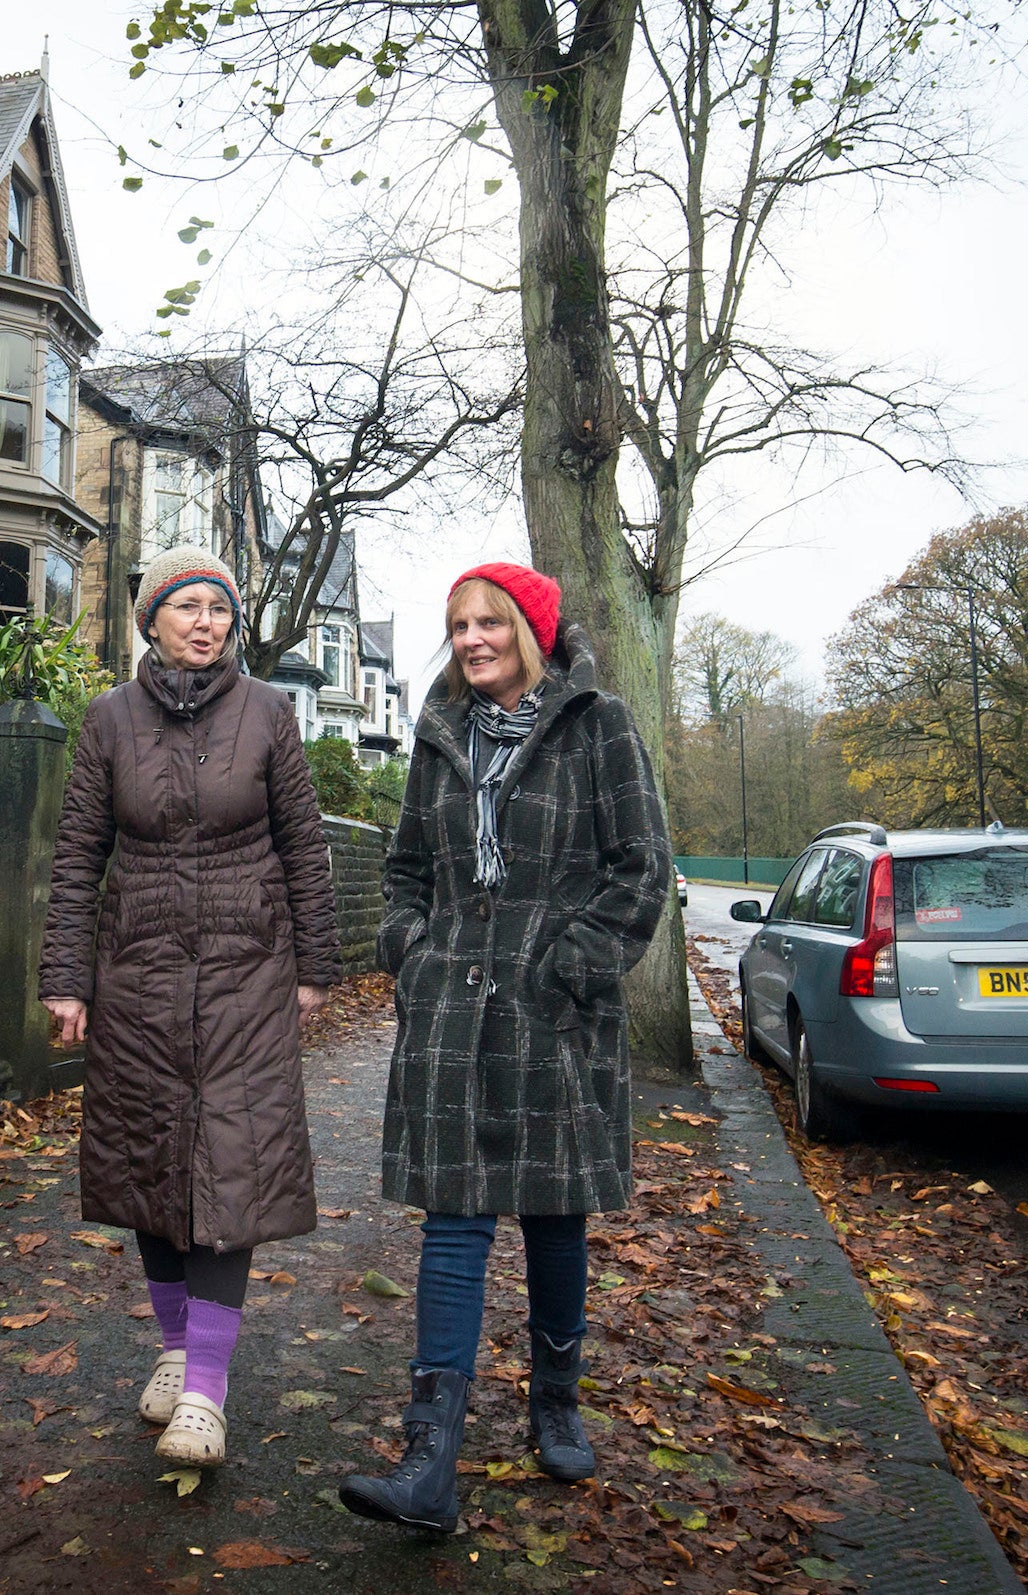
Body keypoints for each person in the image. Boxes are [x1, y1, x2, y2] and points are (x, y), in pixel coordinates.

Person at [340, 562, 672, 1533]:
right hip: (450, 1013)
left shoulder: (597, 723)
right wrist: (412, 953)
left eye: (490, 620)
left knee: (555, 1214)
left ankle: (556, 1395)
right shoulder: (438, 735)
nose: (472, 637)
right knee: (455, 1220)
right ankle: (429, 1457)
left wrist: (570, 966)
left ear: (530, 628)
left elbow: (643, 867)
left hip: (552, 1012)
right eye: (458, 624)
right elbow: (404, 869)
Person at [39, 546, 339, 1468]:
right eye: (187, 607)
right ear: (152, 620)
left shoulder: (270, 714)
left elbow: (305, 845)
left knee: (230, 1171)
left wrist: (315, 967)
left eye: (219, 607)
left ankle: (205, 1391)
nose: (205, 622)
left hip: (247, 976)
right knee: (149, 1162)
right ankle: (175, 1348)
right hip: (138, 978)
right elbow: (78, 854)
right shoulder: (107, 720)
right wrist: (66, 976)